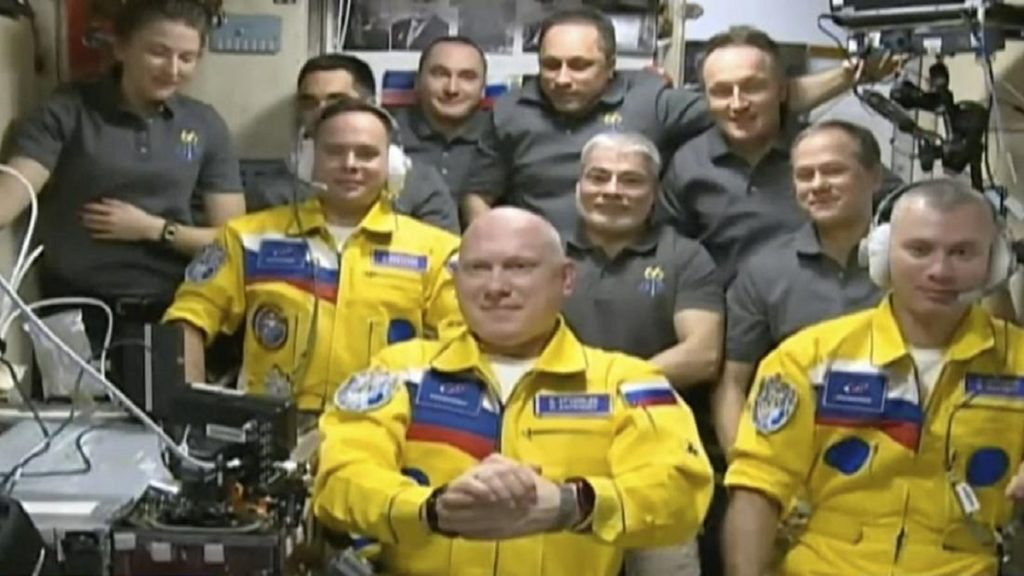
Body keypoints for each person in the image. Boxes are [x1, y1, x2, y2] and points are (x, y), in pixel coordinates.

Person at [313, 207, 714, 576]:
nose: (496, 286)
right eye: (477, 268)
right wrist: (431, 509)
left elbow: (680, 491)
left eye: (519, 267)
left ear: (566, 278)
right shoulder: (399, 370)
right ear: (455, 279)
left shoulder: (624, 382)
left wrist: (570, 505)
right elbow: (339, 479)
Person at [724, 178, 1024, 576]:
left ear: (996, 263)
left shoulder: (1017, 362)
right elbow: (757, 488)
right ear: (879, 254)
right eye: (919, 250)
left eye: (962, 252)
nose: (940, 271)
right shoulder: (808, 358)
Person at [462, 7, 885, 237]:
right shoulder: (510, 110)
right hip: (536, 262)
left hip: (628, 263)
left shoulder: (652, 102)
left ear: (610, 66)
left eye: (579, 65)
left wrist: (848, 76)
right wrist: (497, 243)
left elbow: (748, 103)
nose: (562, 78)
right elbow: (478, 194)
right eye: (550, 65)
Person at [163, 98, 461, 413]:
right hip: (271, 427)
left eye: (367, 154)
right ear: (307, 160)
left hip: (382, 430)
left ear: (394, 164)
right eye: (334, 151)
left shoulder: (436, 252)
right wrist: (190, 412)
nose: (350, 164)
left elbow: (460, 346)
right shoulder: (247, 238)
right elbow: (187, 319)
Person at [0, 0, 244, 330]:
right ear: (120, 47)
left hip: (173, 308)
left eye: (186, 58)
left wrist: (154, 229)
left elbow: (233, 242)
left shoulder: (205, 124)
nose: (173, 70)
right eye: (158, 52)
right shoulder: (68, 110)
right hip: (72, 309)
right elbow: (7, 202)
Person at [561, 131, 723, 576]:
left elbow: (702, 354)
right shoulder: (544, 249)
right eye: (599, 177)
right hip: (560, 455)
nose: (612, 190)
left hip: (658, 462)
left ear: (654, 193)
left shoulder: (686, 257)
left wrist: (602, 392)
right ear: (578, 185)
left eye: (631, 180)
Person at [658, 26, 901, 285]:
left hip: (830, 302)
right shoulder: (688, 165)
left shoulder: (825, 151)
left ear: (783, 90)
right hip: (730, 306)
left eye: (753, 87)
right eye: (721, 91)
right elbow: (667, 256)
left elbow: (907, 205)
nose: (737, 104)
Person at [712, 121, 884, 452]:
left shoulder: (918, 262)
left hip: (901, 453)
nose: (817, 185)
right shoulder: (765, 270)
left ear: (874, 177)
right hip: (795, 453)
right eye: (805, 175)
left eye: (833, 171)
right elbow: (731, 385)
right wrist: (747, 470)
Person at [247, 54, 460, 234]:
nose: (321, 111)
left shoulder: (422, 186)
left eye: (336, 100)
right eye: (309, 102)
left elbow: (444, 258)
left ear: (371, 105)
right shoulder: (272, 192)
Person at [393, 36, 488, 202]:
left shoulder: (503, 137)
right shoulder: (387, 132)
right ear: (417, 81)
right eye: (440, 74)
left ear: (483, 87)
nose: (452, 89)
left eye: (467, 77)